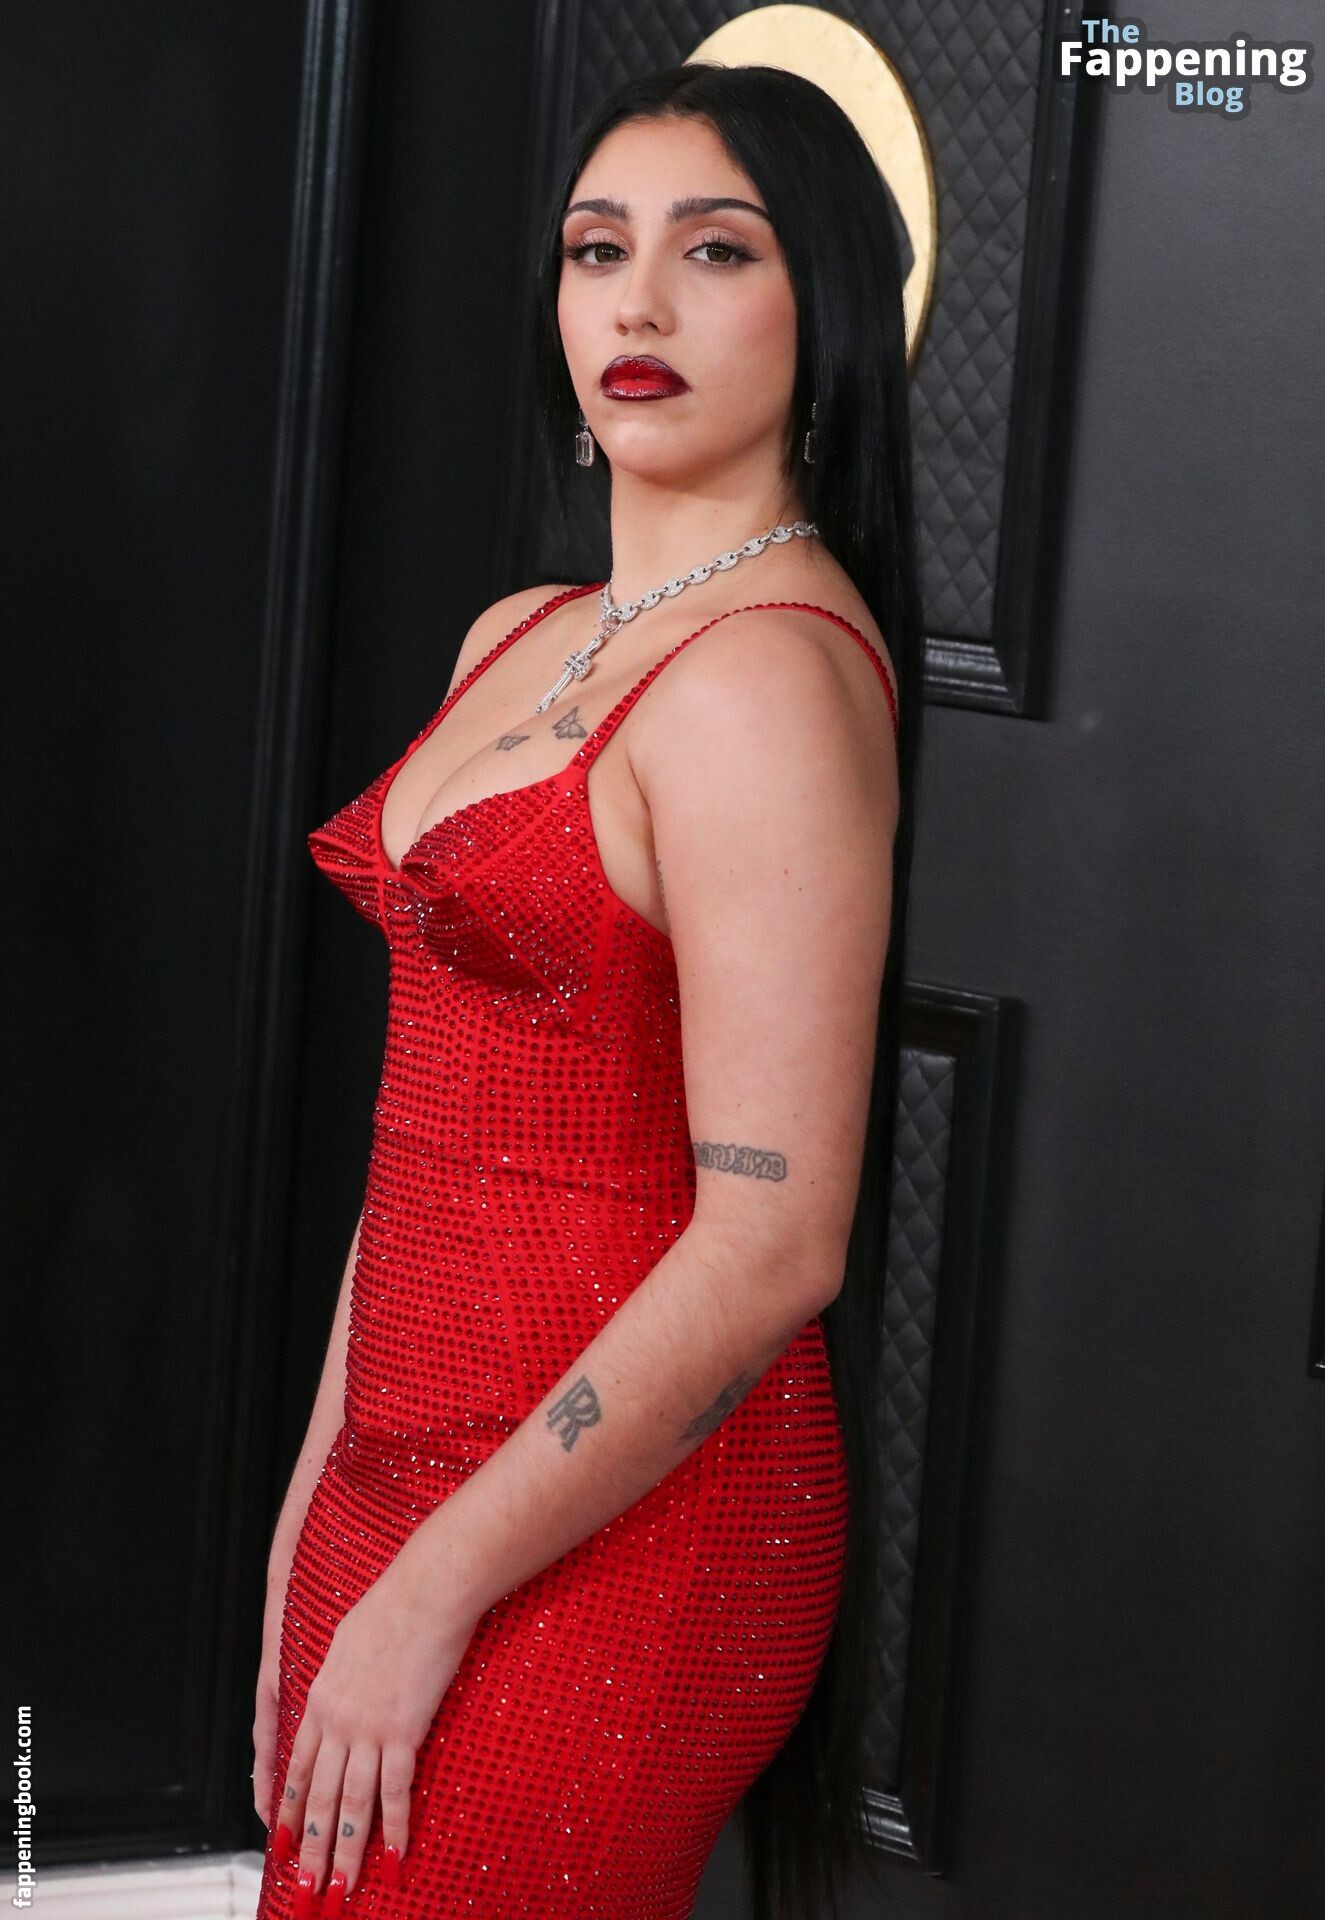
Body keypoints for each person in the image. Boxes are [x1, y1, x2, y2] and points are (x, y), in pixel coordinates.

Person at [252, 58, 923, 1920]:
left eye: (714, 251)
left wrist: (432, 1586)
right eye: (594, 249)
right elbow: (427, 1130)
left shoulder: (765, 679)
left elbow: (772, 1246)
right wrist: (318, 1503)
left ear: (822, 307)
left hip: (620, 1535)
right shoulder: (522, 635)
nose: (635, 304)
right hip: (402, 1471)